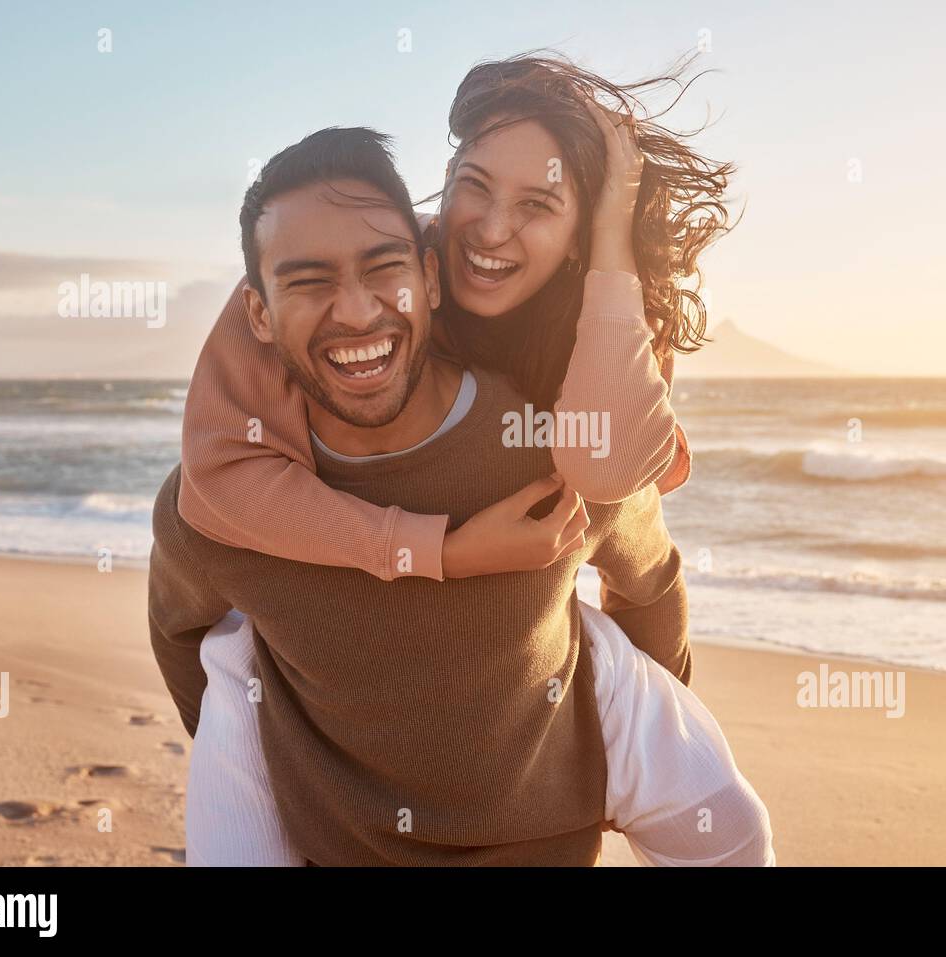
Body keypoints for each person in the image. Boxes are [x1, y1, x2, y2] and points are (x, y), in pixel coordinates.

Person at [149, 125, 772, 865]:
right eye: (308, 281)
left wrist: (628, 757)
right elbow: (180, 634)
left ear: (433, 277)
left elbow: (651, 582)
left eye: (385, 267)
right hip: (333, 845)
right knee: (237, 660)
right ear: (258, 314)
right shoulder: (227, 508)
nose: (354, 312)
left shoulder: (551, 448)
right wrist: (293, 763)